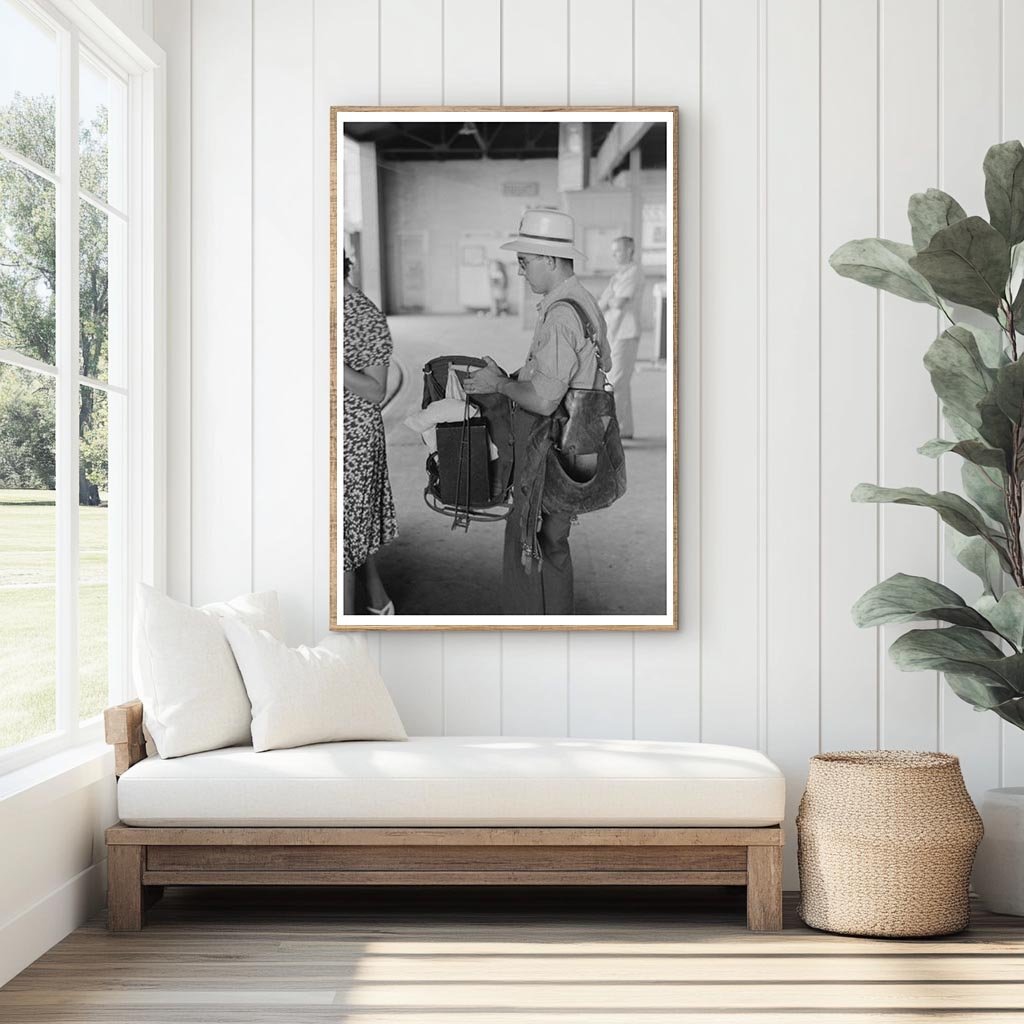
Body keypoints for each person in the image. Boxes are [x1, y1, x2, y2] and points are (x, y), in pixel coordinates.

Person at [463, 210, 611, 615]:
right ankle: (557, 625)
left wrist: (500, 385)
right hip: (576, 448)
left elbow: (545, 400)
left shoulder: (562, 313)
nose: (521, 272)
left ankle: (532, 633)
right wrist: (514, 376)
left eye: (525, 263)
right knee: (554, 544)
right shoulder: (583, 301)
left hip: (550, 452)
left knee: (529, 543)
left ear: (549, 259)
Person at [342, 254, 398, 615]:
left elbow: (377, 391)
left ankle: (341, 639)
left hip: (354, 440)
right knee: (349, 534)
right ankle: (379, 602)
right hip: (335, 434)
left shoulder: (364, 315)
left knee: (340, 546)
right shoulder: (323, 309)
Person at [598, 235, 645, 439]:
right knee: (620, 383)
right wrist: (609, 300)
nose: (614, 255)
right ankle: (625, 429)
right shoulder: (619, 275)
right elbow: (603, 302)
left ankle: (612, 433)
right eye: (613, 251)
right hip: (615, 333)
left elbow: (617, 302)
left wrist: (610, 300)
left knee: (616, 383)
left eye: (617, 251)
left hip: (626, 333)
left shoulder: (634, 272)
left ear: (629, 251)